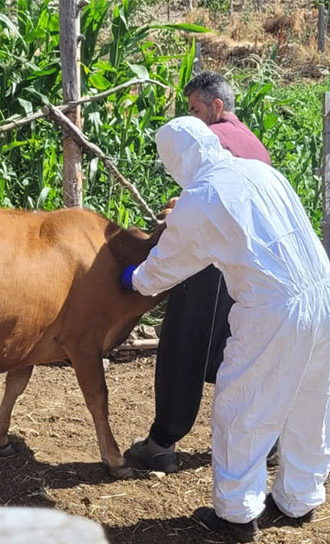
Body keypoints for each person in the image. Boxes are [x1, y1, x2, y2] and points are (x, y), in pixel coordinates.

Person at [121, 116, 330, 543]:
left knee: (244, 408)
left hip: (273, 308)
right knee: (312, 402)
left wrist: (132, 279)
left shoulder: (201, 197)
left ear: (175, 161)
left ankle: (236, 516)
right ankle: (299, 499)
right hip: (325, 296)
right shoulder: (261, 171)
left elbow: (164, 269)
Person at [125, 71, 273, 474]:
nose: (192, 118)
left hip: (207, 265)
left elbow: (204, 202)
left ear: (217, 106)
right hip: (249, 270)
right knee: (236, 348)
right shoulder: (253, 143)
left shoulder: (216, 141)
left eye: (195, 109)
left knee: (182, 347)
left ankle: (162, 442)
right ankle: (269, 438)